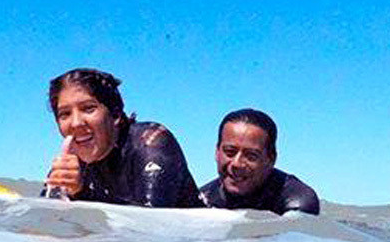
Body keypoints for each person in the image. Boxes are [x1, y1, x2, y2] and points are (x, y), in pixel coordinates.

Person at [42, 68, 203, 208]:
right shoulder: (71, 167)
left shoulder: (151, 144)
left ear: (115, 113)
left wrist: (81, 193)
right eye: (65, 114)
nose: (76, 123)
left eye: (88, 108)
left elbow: (152, 227)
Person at [199, 108, 320, 215]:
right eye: (230, 152)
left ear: (271, 159)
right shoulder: (203, 200)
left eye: (251, 156)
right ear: (217, 152)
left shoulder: (296, 202)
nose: (237, 163)